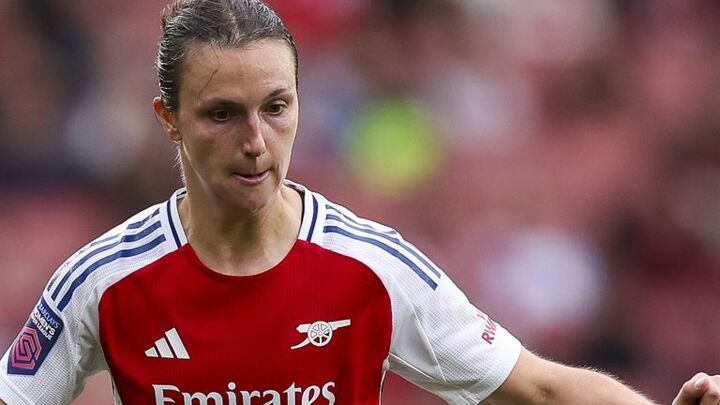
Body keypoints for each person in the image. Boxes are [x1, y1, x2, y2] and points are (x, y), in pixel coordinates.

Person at [0, 1, 718, 404]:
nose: (256, 141)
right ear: (170, 120)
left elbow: (542, 387)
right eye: (222, 114)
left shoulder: (370, 266)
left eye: (276, 107)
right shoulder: (103, 279)